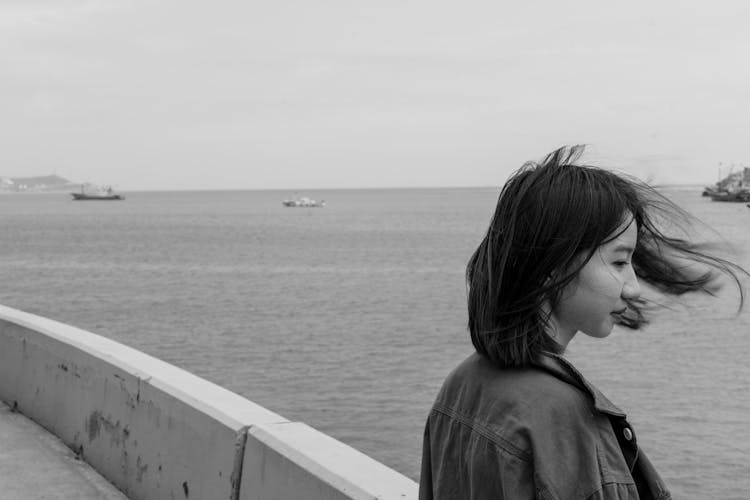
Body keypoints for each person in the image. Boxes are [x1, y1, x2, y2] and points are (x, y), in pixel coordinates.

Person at [419, 146, 747, 499]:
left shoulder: (461, 384)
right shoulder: (563, 417)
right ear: (551, 268)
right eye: (620, 262)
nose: (634, 288)